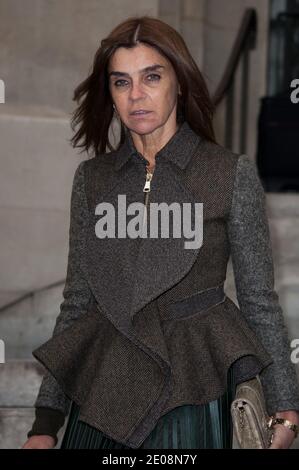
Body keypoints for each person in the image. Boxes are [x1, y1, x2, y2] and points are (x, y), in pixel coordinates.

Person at [22, 15, 299, 450]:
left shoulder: (228, 174)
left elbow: (258, 300)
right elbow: (78, 303)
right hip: (106, 392)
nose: (136, 95)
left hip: (192, 391)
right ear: (110, 95)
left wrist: (285, 402)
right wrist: (44, 423)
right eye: (121, 82)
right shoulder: (93, 181)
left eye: (151, 77)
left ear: (180, 83)